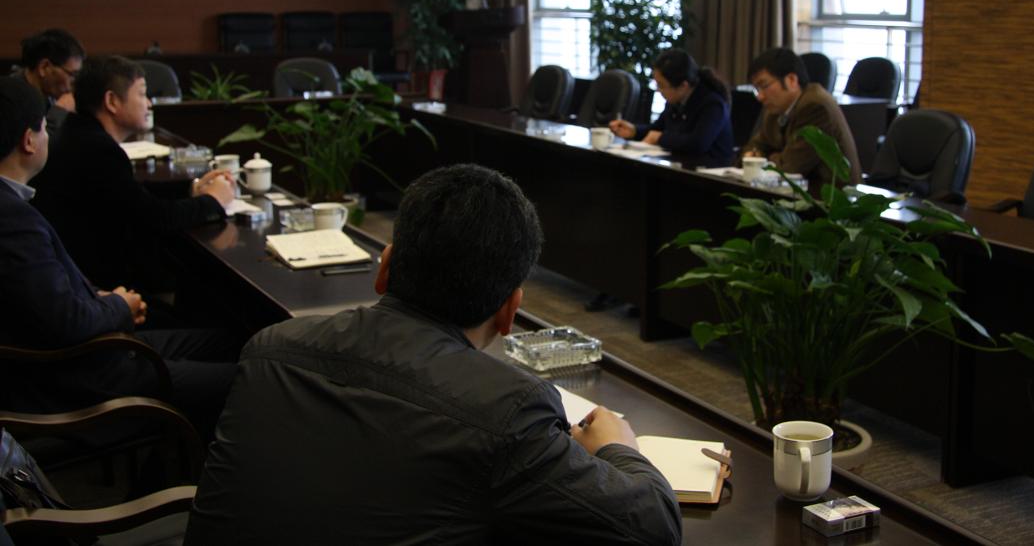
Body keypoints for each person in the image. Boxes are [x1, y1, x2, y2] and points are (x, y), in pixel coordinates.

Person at [185, 164, 683, 546]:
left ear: (384, 269)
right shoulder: (507, 412)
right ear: (510, 311)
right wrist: (618, 446)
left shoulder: (270, 349)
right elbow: (652, 526)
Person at [0, 77, 236, 440]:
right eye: (45, 127)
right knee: (251, 377)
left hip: (93, 346)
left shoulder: (14, 206)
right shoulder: (12, 220)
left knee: (235, 343)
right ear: (28, 141)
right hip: (87, 377)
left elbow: (42, 299)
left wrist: (103, 301)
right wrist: (118, 307)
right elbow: (65, 321)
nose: (50, 136)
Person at [31, 55, 236, 293]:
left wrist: (192, 188)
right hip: (99, 288)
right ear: (112, 101)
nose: (149, 103)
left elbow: (131, 194)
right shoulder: (97, 150)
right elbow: (156, 218)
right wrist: (214, 200)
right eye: (142, 94)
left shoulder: (79, 133)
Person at [742, 48, 862, 194]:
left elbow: (790, 167)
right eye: (756, 89)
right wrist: (771, 156)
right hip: (791, 192)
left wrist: (763, 158)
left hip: (829, 199)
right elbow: (753, 147)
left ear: (791, 80)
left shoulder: (816, 106)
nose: (760, 96)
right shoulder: (774, 108)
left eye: (764, 86)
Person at [609, 49, 734, 167]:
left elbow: (698, 143)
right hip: (679, 166)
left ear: (683, 86)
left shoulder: (712, 104)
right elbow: (657, 128)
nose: (658, 90)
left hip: (709, 172)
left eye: (661, 85)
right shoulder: (675, 100)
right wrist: (634, 131)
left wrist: (660, 138)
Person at [12, 28, 85, 140]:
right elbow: (32, 146)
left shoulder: (48, 95)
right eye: (72, 74)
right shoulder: (11, 99)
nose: (74, 82)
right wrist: (60, 110)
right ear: (44, 67)